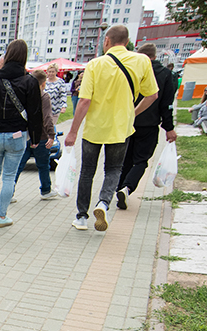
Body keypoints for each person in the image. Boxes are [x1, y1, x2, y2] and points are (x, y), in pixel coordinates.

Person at [65, 25, 158, 232]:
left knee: (88, 171)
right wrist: (133, 112)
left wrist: (72, 131)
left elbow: (84, 101)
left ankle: (81, 216)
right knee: (114, 169)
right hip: (121, 128)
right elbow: (152, 95)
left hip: (94, 128)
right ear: (126, 42)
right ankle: (103, 203)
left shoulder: (95, 64)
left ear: (106, 40)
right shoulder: (142, 60)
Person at [0, 39, 43, 228]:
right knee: (9, 176)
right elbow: (36, 112)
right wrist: (36, 137)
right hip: (17, 134)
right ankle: (1, 217)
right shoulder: (30, 81)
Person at [116, 43, 178, 210]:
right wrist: (169, 127)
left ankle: (119, 188)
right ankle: (127, 187)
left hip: (128, 122)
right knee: (141, 160)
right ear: (155, 56)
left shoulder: (131, 71)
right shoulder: (165, 74)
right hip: (149, 124)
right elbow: (166, 103)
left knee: (126, 158)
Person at [14, 70, 56, 200]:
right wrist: (51, 134)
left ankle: (9, 192)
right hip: (40, 135)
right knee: (43, 164)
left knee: (18, 165)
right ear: (43, 83)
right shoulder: (44, 97)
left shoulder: (23, 95)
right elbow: (47, 117)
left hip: (23, 135)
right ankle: (46, 190)